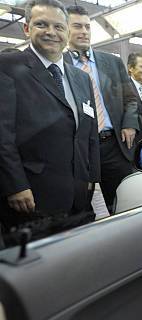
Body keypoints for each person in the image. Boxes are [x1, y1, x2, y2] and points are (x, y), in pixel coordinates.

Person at [0, 0, 100, 229]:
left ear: (67, 32)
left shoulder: (81, 77)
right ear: (27, 28)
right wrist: (14, 185)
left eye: (58, 27)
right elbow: (2, 135)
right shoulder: (6, 67)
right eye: (41, 24)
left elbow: (90, 131)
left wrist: (92, 178)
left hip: (78, 195)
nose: (51, 33)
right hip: (31, 197)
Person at [64, 5, 139, 212]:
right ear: (65, 29)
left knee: (124, 201)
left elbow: (131, 99)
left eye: (87, 27)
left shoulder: (112, 63)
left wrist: (129, 124)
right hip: (80, 148)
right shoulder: (59, 64)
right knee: (81, 206)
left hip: (113, 144)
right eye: (77, 26)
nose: (84, 32)